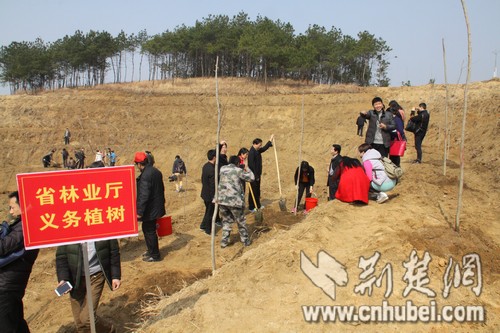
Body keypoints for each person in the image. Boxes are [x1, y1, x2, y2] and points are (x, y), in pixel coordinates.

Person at [0, 191, 39, 333]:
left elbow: (2, 247)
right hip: (9, 286)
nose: (10, 211)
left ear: (23, 207)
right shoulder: (20, 225)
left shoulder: (25, 227)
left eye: (12, 207)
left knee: (7, 326)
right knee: (16, 324)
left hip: (7, 287)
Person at [135, 152, 166, 262]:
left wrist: (139, 212)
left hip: (150, 208)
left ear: (139, 164)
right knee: (148, 229)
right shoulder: (155, 171)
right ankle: (151, 250)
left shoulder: (145, 175)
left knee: (149, 230)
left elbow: (144, 195)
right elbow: (162, 189)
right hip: (156, 206)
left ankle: (155, 255)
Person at [218, 155, 255, 248]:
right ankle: (245, 241)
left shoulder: (222, 169)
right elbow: (251, 178)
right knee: (240, 221)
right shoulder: (238, 171)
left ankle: (224, 242)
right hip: (234, 202)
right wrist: (246, 167)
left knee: (226, 221)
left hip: (222, 201)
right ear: (238, 163)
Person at [247, 135, 274, 211]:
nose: (260, 146)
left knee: (257, 190)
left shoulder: (257, 150)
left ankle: (258, 205)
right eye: (259, 145)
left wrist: (270, 140)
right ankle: (252, 207)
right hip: (253, 176)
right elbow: (251, 166)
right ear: (255, 144)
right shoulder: (251, 153)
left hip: (257, 175)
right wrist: (255, 176)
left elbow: (264, 149)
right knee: (253, 191)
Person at [200, 149, 217, 235]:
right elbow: (212, 185)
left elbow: (202, 180)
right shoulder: (212, 169)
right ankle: (208, 230)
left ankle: (203, 225)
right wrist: (214, 197)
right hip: (209, 196)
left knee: (208, 211)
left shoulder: (205, 166)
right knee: (210, 213)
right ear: (214, 157)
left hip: (204, 193)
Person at [388, 101, 407, 167]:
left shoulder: (396, 118)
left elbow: (400, 130)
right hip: (394, 138)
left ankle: (396, 169)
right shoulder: (400, 112)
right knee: (394, 155)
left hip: (395, 139)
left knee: (394, 155)